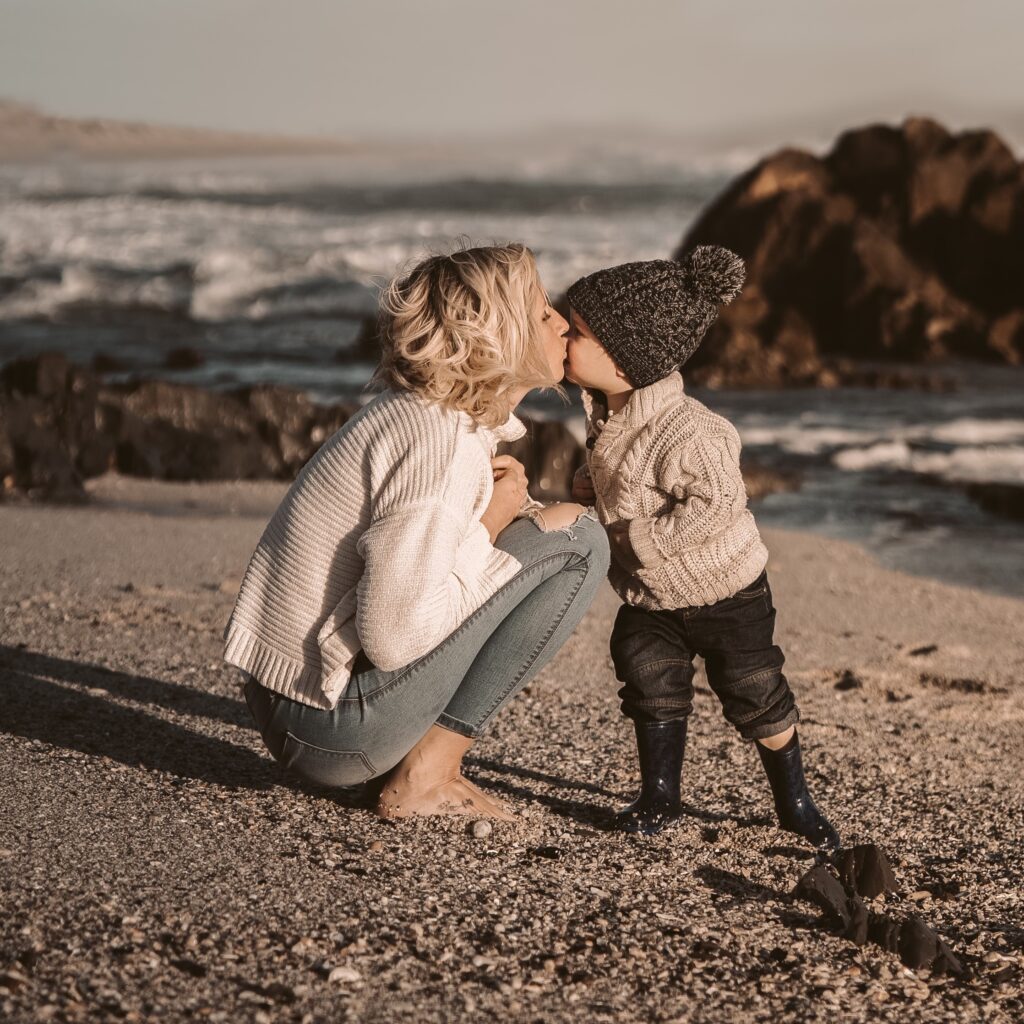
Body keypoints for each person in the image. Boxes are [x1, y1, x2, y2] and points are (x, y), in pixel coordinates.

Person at [224, 243, 610, 820]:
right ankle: (427, 774)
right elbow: (395, 637)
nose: (560, 322)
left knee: (545, 531)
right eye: (540, 313)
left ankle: (417, 764)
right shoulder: (439, 441)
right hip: (327, 727)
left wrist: (495, 521)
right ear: (495, 335)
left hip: (302, 703)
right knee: (578, 543)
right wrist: (490, 524)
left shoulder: (432, 415)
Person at [563, 245, 841, 850]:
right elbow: (623, 478)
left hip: (726, 592)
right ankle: (661, 793)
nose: (562, 335)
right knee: (647, 676)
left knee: (753, 689)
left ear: (625, 357)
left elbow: (715, 503)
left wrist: (639, 537)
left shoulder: (692, 430)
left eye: (577, 332)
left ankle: (794, 799)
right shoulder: (608, 412)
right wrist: (587, 488)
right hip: (649, 595)